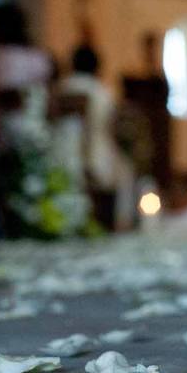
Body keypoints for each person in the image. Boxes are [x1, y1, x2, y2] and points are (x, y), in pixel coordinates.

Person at [60, 35, 136, 228]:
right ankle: (113, 223)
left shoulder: (63, 87)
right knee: (125, 172)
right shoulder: (102, 91)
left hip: (63, 150)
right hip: (96, 151)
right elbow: (110, 126)